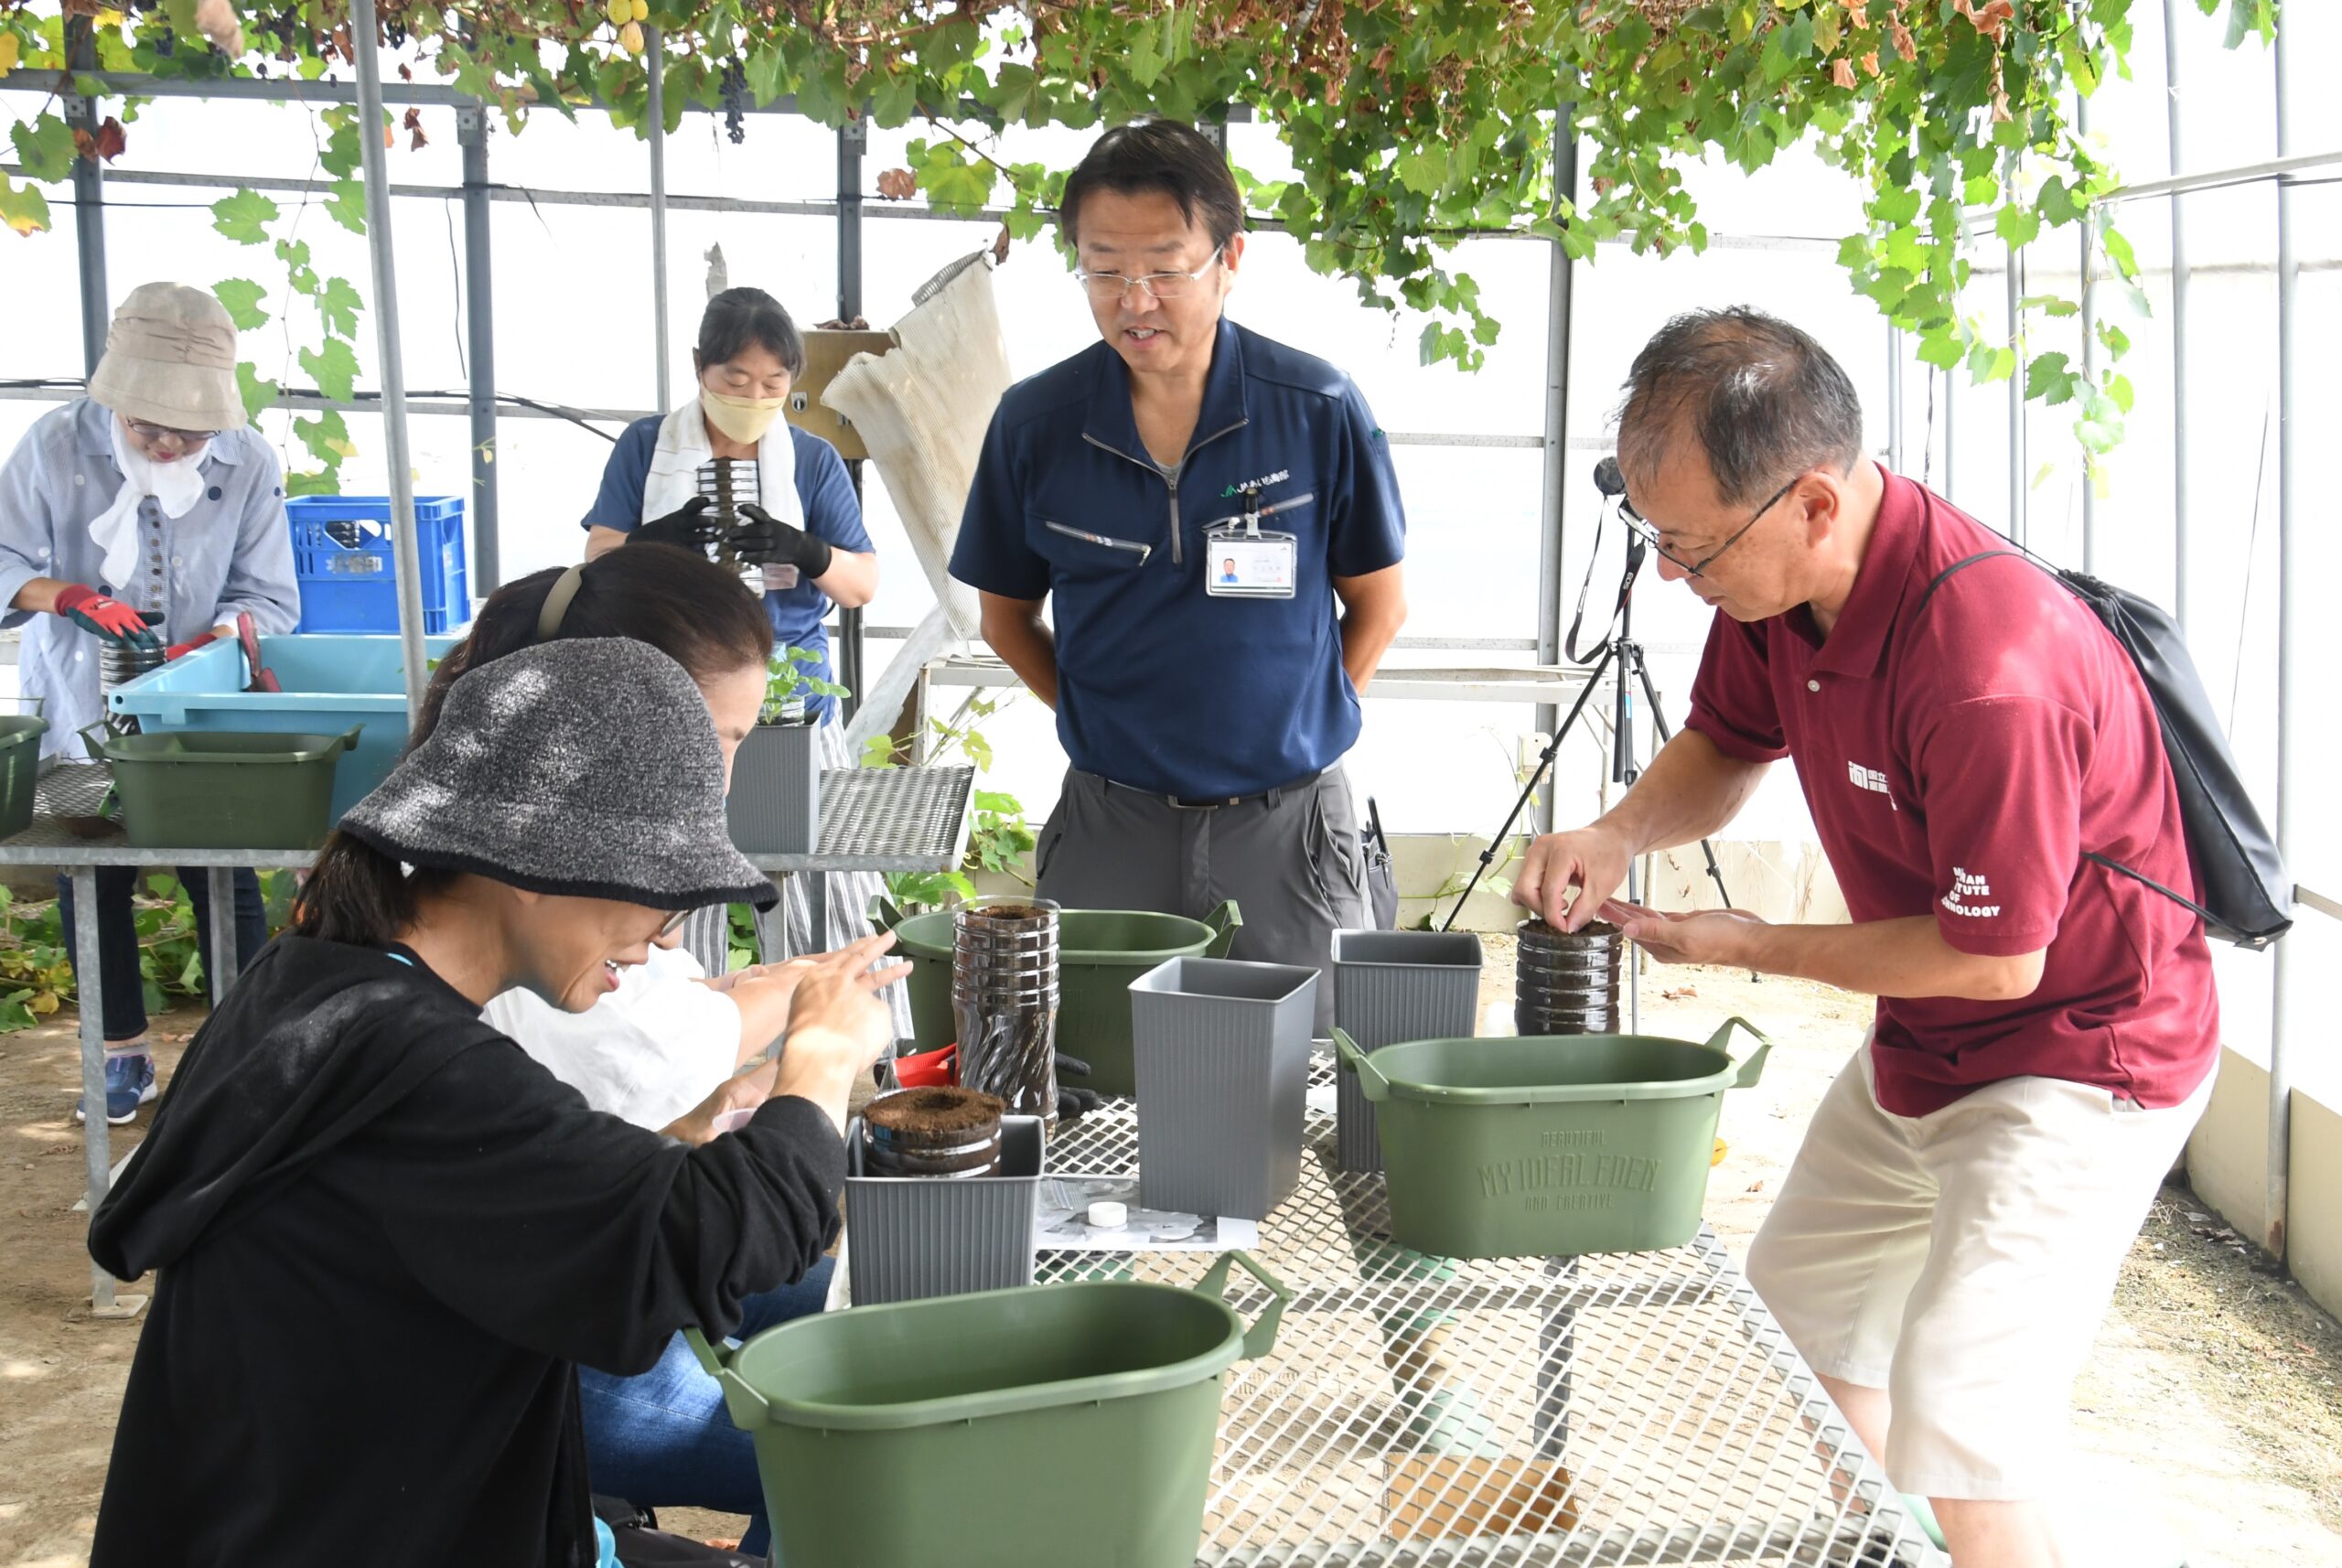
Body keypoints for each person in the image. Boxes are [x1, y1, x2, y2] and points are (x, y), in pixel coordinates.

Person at [1513, 308, 2216, 1568]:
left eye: (1690, 545)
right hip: (1933, 1043)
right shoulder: (1775, 583)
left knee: (1963, 1410)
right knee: (1803, 1317)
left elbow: (1997, 958)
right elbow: (1731, 741)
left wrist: (1748, 944)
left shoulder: (1989, 662)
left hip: (2081, 1052)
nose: (1673, 574)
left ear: (1815, 503)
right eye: (1655, 535)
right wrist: (1619, 833)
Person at [87, 633, 908, 1567]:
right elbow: (702, 1243)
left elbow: (520, 1198)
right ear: (528, 866)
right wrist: (821, 1059)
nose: (658, 945)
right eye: (658, 900)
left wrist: (708, 1117)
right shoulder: (418, 1066)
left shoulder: (320, 980)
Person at [950, 120, 1410, 1026]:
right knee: (1092, 1074)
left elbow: (1379, 605)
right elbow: (1005, 618)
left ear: (1230, 258)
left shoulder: (1315, 410)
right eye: (1104, 267)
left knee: (1301, 1080)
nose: (1134, 299)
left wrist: (1297, 725)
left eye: (1165, 265)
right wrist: (1099, 718)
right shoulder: (1034, 425)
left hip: (1287, 835)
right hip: (1109, 826)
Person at [435, 544, 832, 1557]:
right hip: (541, 1366)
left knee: (830, 1309)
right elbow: (673, 1131)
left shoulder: (465, 904)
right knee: (846, 1437)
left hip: (554, 1305)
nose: (662, 941)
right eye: (714, 738)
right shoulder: (432, 1037)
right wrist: (816, 1052)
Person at [0, 282, 298, 1123]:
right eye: (148, 427)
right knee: (93, 873)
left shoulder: (248, 461)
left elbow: (272, 597)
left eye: (191, 432)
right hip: (77, 700)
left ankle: (237, 1053)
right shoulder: (54, 446)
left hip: (198, 711)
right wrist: (65, 597)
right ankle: (119, 1052)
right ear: (114, 398)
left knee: (222, 869)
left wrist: (217, 642)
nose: (170, 444)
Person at [581, 286, 897, 1015]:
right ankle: (677, 1042)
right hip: (672, 698)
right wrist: (659, 542)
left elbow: (862, 584)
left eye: (773, 384)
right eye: (734, 380)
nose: (754, 397)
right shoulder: (647, 447)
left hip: (786, 707)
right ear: (699, 369)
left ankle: (849, 1039)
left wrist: (808, 549)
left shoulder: (810, 461)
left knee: (818, 879)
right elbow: (597, 557)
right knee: (674, 888)